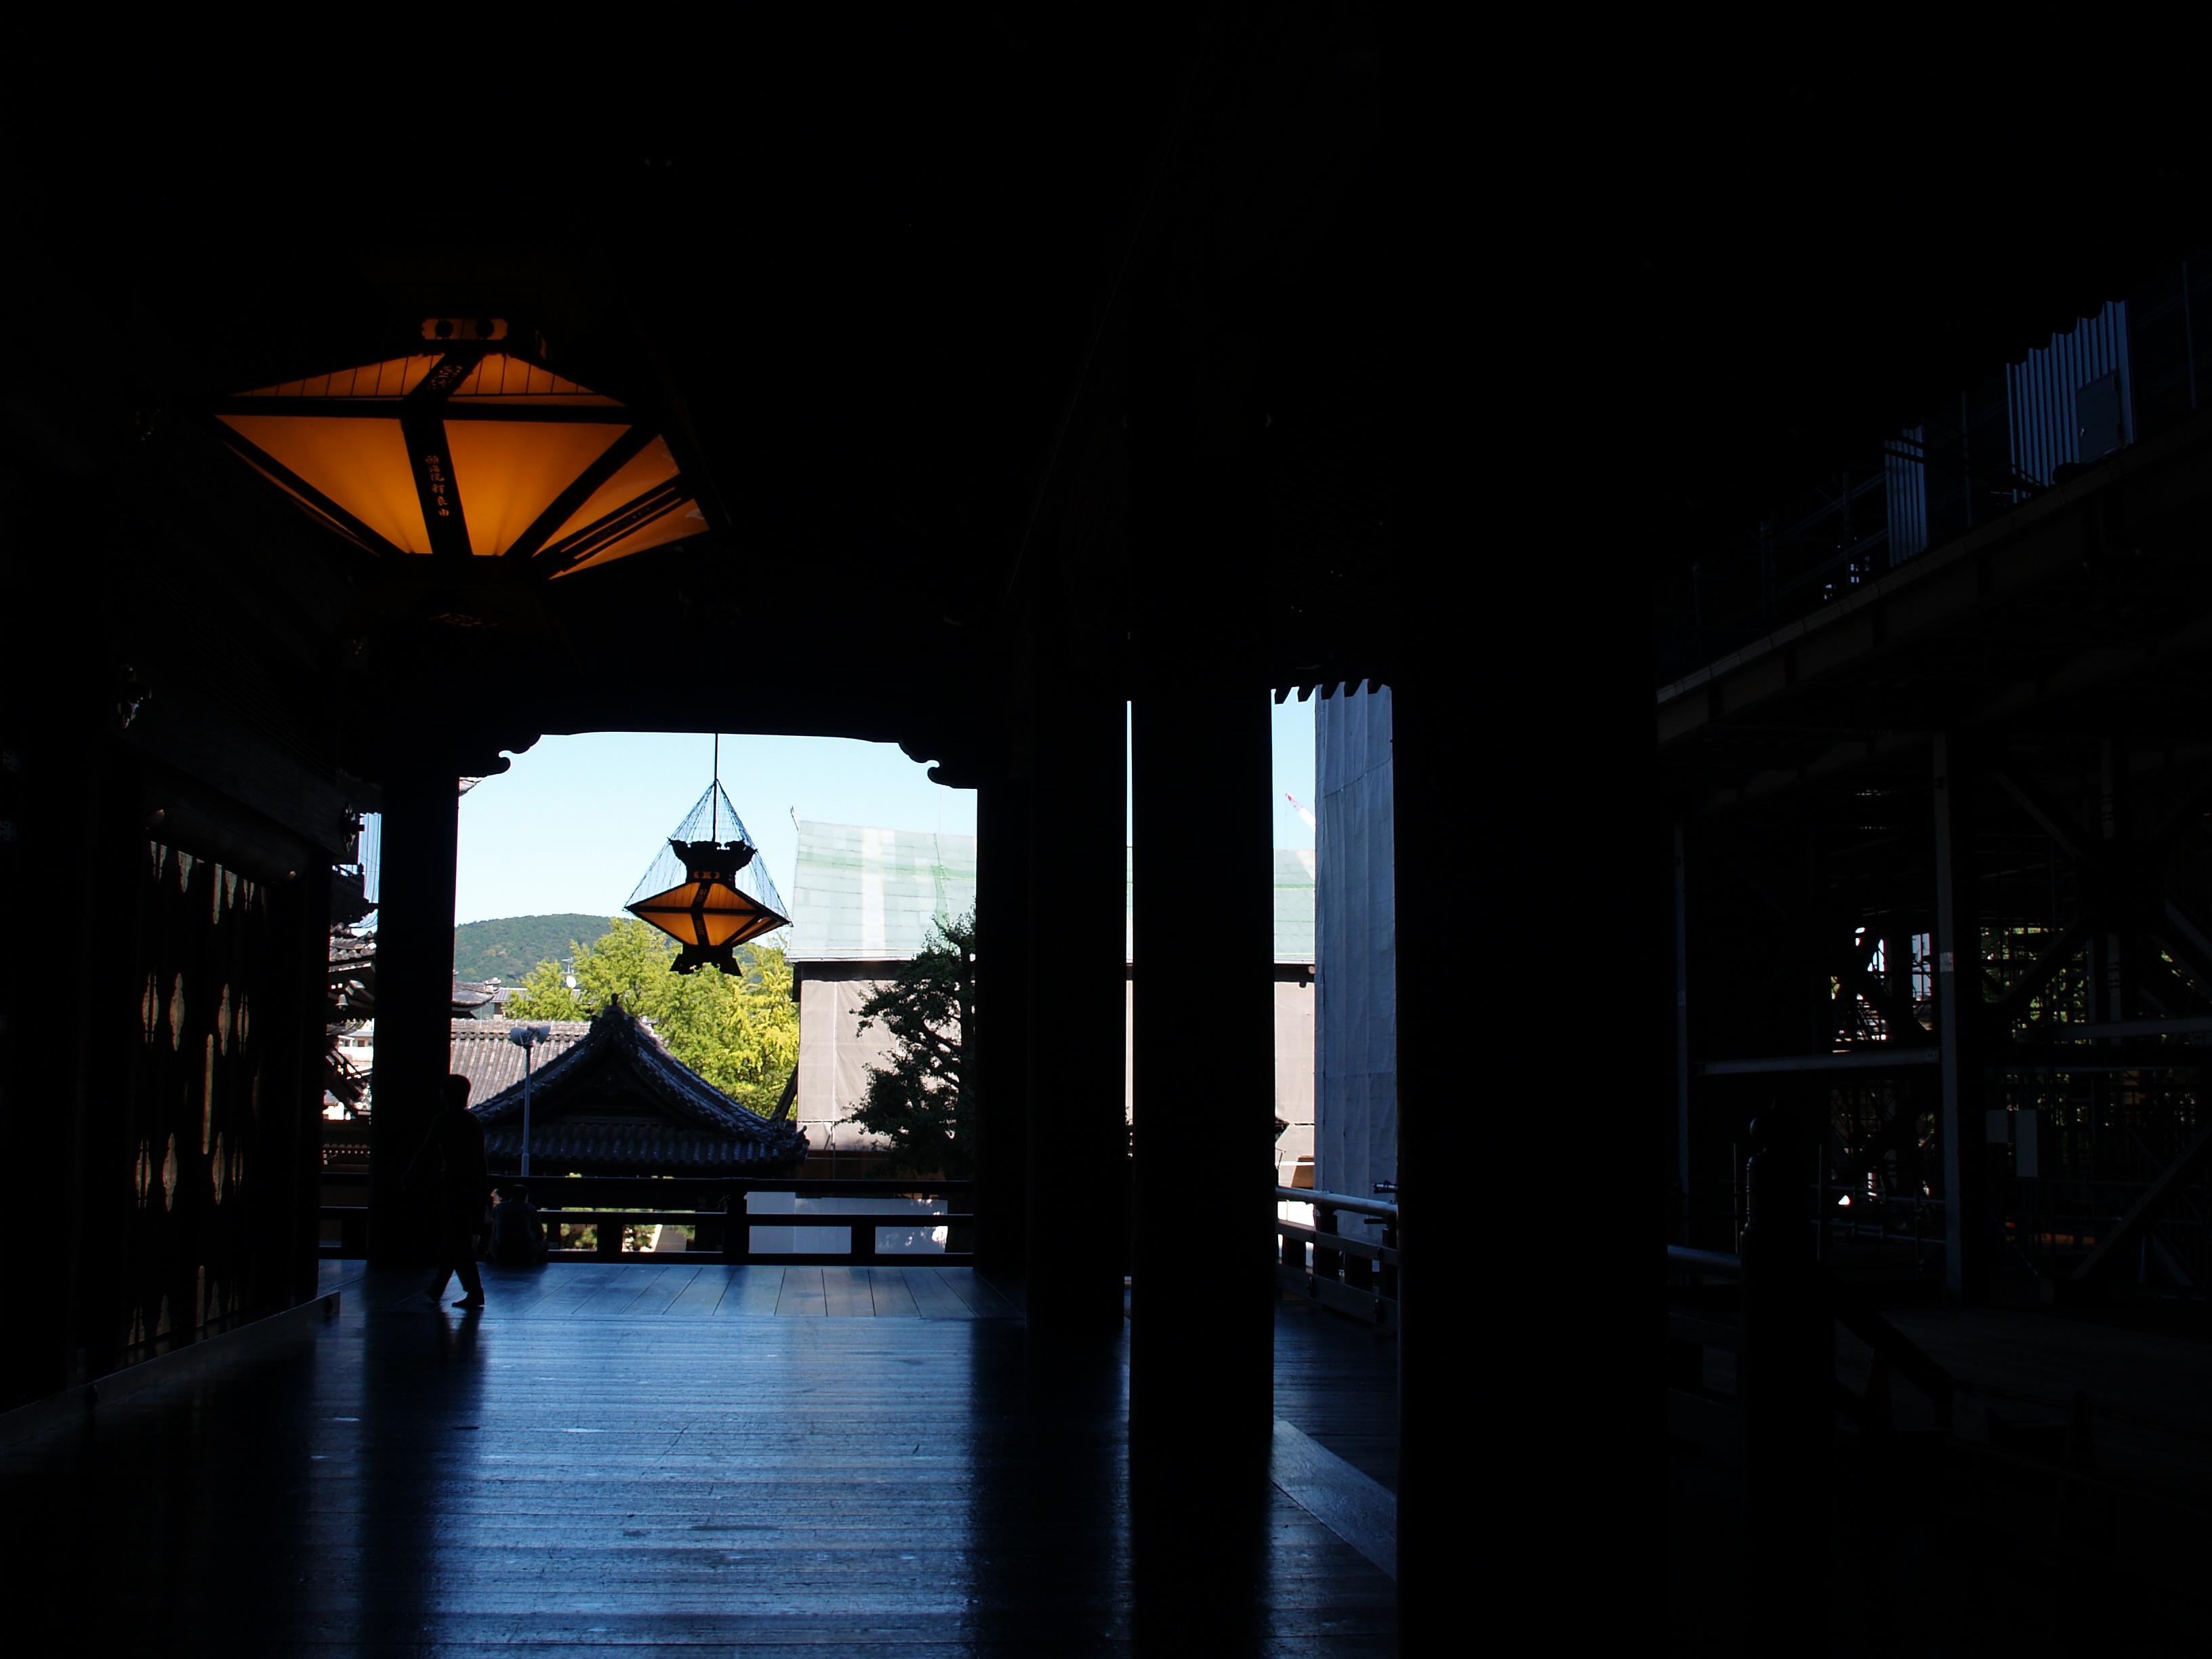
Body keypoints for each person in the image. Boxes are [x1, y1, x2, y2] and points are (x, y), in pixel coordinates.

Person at [425, 1073, 489, 1307]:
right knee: (457, 1242)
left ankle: (469, 1291)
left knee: (456, 1242)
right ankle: (441, 1289)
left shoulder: (443, 1122)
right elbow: (481, 1161)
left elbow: (426, 1151)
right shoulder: (473, 1122)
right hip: (471, 1188)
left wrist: (411, 1174)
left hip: (453, 1187)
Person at [489, 1184, 549, 1266]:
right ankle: (537, 1266)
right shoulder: (530, 1208)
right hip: (525, 1251)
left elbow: (494, 1230)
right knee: (545, 1242)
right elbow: (540, 1233)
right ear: (526, 1196)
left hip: (500, 1251)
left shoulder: (498, 1208)